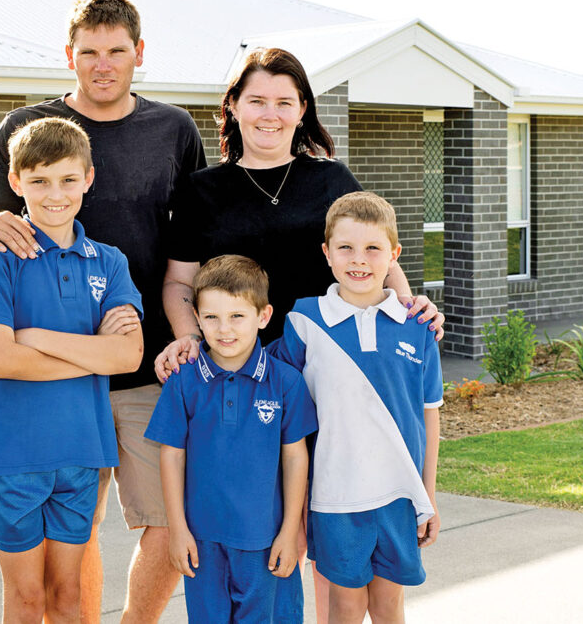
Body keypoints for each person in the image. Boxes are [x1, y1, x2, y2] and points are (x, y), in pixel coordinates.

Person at [155, 47, 444, 622]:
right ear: (232, 107)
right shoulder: (201, 189)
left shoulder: (330, 178)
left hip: (331, 375)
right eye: (256, 99)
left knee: (337, 526)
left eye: (284, 102)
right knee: (270, 528)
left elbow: (375, 250)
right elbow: (177, 284)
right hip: (247, 380)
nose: (270, 113)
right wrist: (190, 336)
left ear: (302, 109)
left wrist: (410, 307)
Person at [0, 0, 206, 622]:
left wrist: (187, 331)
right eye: (89, 52)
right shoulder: (27, 129)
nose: (103, 64)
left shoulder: (174, 129)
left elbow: (191, 245)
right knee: (76, 533)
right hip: (55, 398)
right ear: (68, 55)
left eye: (116, 51)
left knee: (167, 519)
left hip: (141, 365)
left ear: (139, 54)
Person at [0, 117, 145, 623]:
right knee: (27, 600)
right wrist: (91, 353)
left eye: (67, 179)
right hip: (11, 455)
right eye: (39, 181)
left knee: (69, 597)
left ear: (88, 178)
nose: (55, 194)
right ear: (16, 183)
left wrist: (37, 340)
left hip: (82, 454)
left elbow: (127, 357)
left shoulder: (108, 262)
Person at [269, 192, 442, 624]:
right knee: (344, 608)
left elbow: (429, 415)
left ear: (394, 254)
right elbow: (264, 380)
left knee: (389, 607)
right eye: (345, 247)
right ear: (326, 253)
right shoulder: (304, 322)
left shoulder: (418, 327)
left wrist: (429, 495)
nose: (358, 260)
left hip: (400, 495)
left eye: (372, 248)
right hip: (335, 497)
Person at [145, 255, 317, 623]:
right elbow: (171, 456)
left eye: (237, 316)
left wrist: (290, 532)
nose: (224, 329)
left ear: (263, 316)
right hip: (203, 543)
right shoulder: (184, 381)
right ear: (197, 319)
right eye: (211, 317)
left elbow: (295, 459)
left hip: (265, 542)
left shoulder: (286, 382)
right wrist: (177, 530)